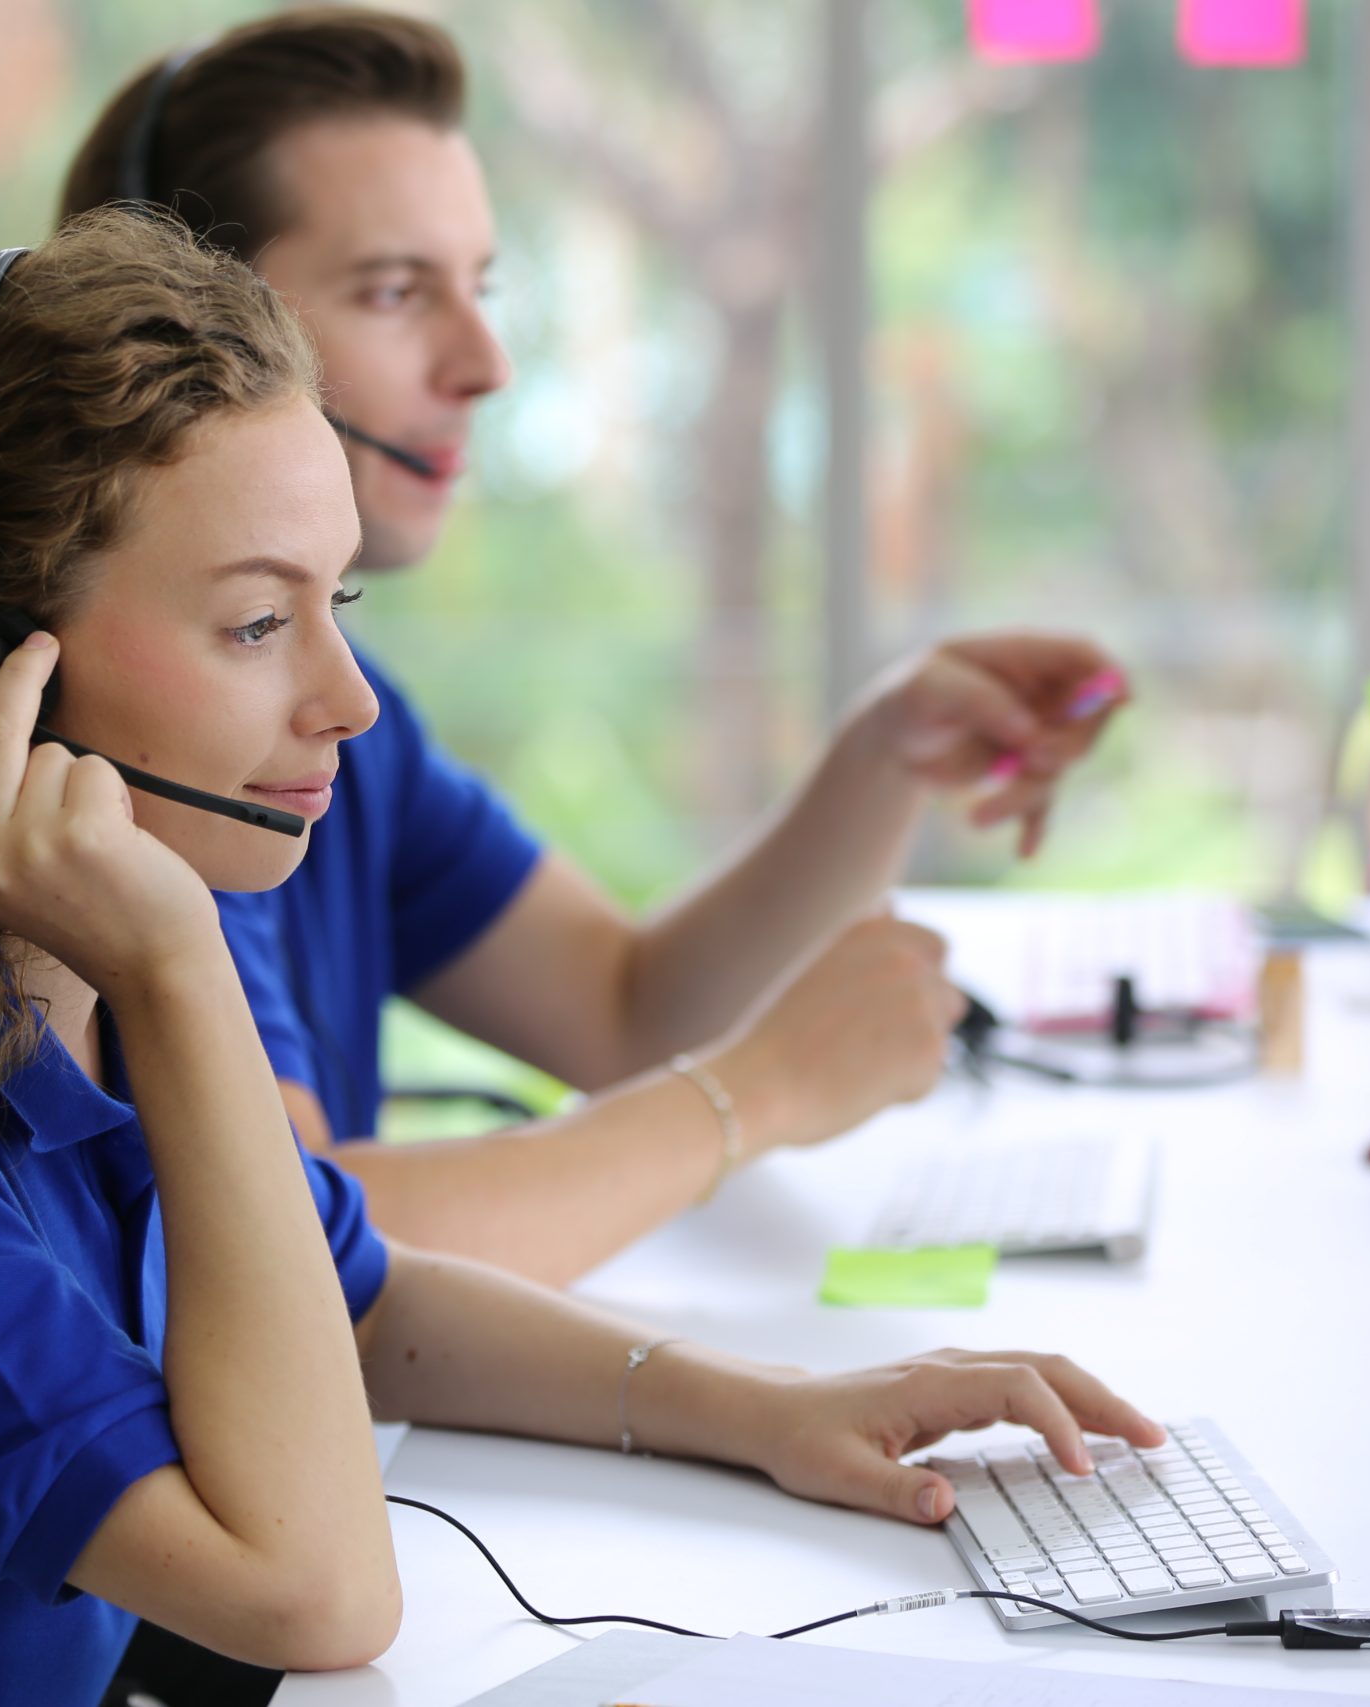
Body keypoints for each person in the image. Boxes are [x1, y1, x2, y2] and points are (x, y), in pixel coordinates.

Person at [0, 213, 1162, 1707]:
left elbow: (360, 1298)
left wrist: (766, 1413)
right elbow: (310, 1592)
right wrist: (185, 967)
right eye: (256, 620)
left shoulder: (23, 1013)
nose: (343, 696)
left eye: (335, 603)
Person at [61, 10, 1132, 1284]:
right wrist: (757, 1095)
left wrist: (889, 753)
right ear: (185, 339)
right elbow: (284, 1245)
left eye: (482, 287)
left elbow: (623, 1009)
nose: (488, 365)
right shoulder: (144, 757)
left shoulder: (352, 719)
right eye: (396, 292)